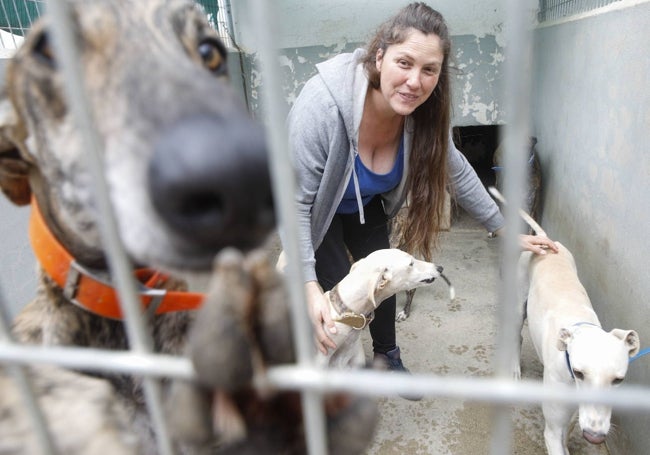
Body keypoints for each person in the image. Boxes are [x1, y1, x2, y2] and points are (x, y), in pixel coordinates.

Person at [285, 2, 557, 392]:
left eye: (429, 70)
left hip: (367, 205)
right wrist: (308, 285)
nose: (415, 81)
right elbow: (293, 203)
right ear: (380, 57)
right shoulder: (324, 106)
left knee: (388, 276)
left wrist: (502, 228)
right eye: (404, 63)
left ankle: (386, 357)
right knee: (336, 296)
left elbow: (457, 170)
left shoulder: (423, 115)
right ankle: (328, 378)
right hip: (314, 213)